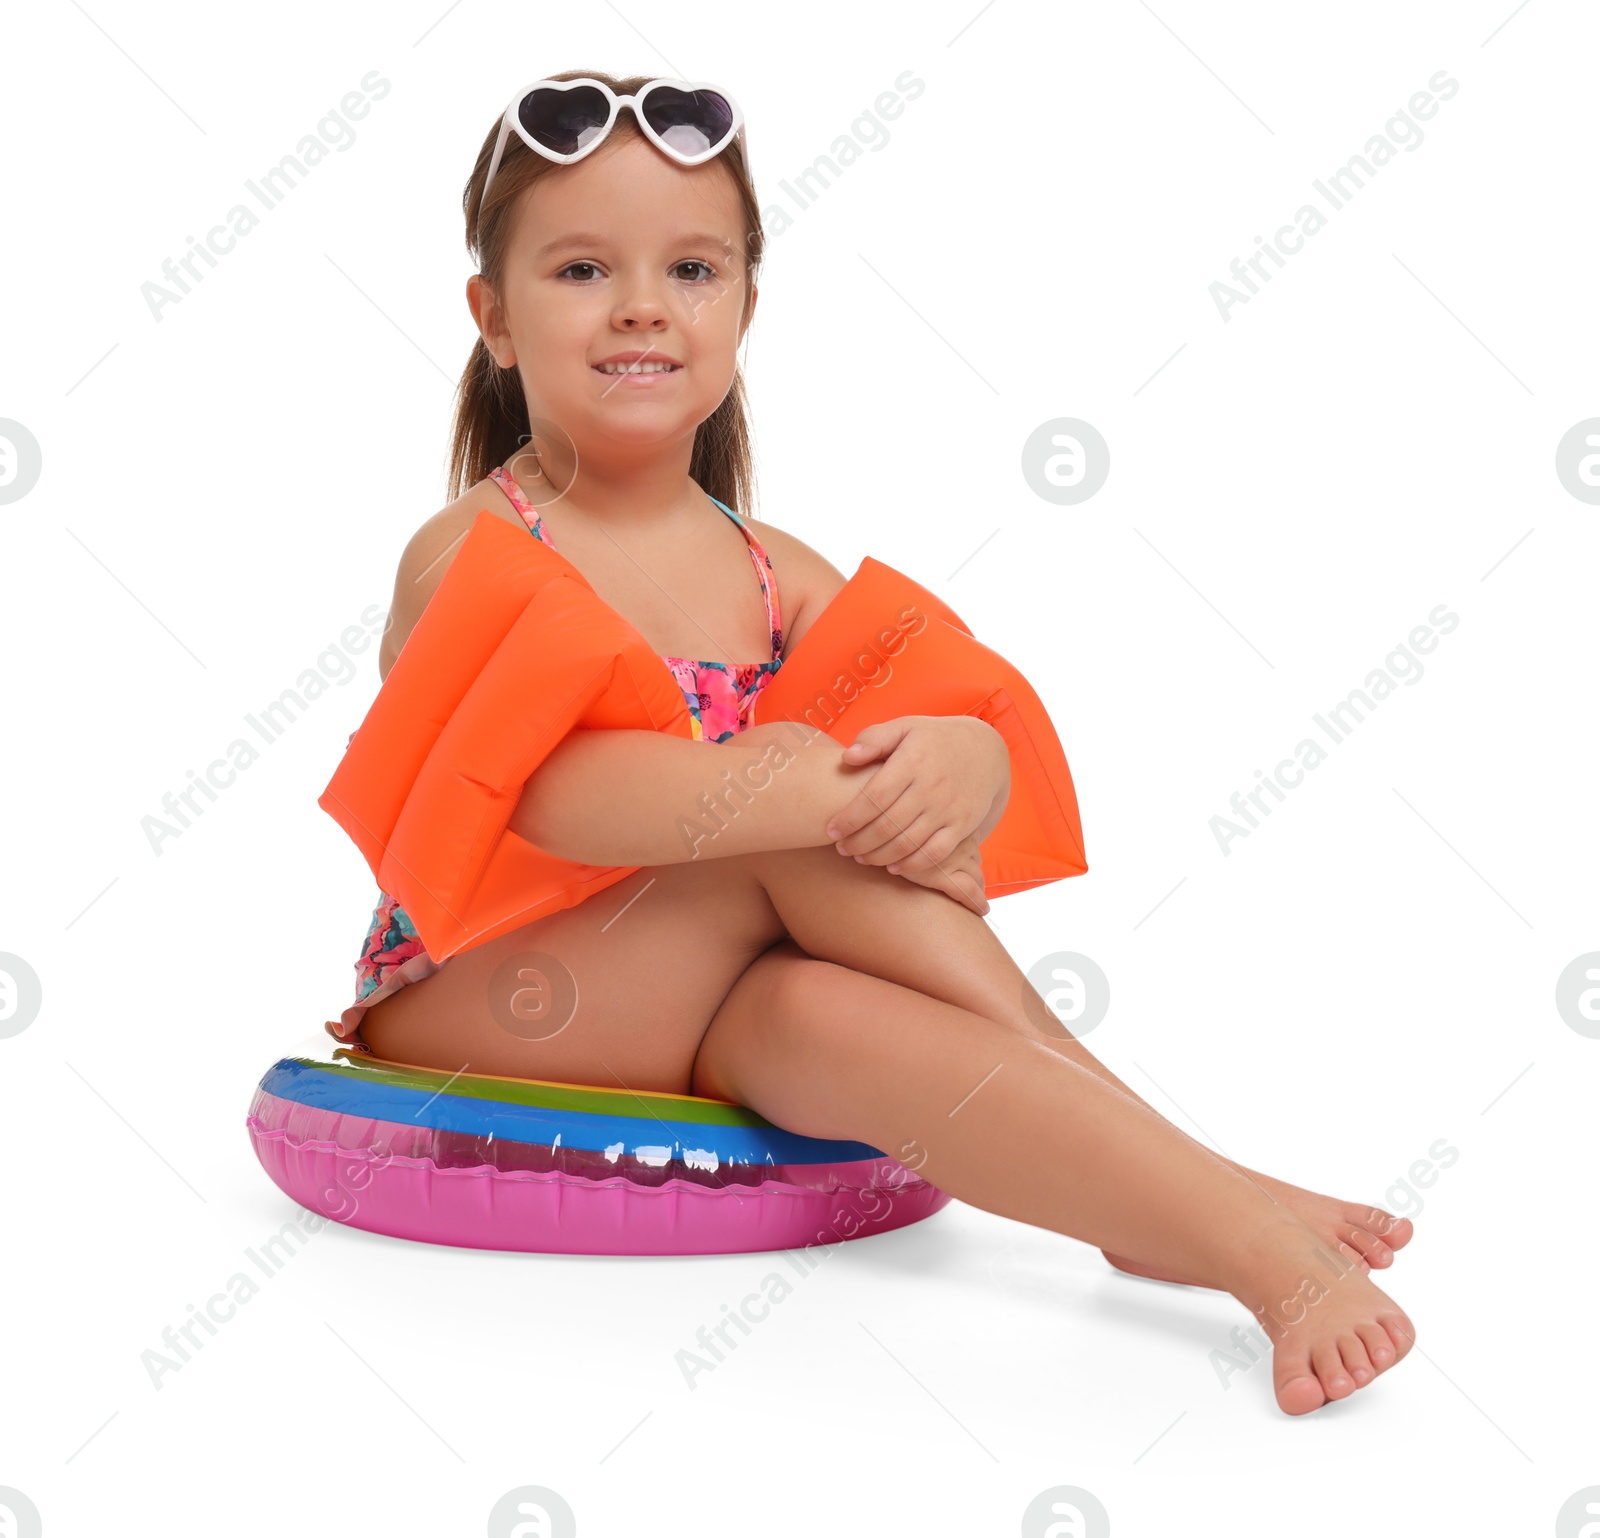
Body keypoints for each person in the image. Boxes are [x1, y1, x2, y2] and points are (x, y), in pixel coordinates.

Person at [333, 69, 1416, 1416]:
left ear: (744, 307)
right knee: (809, 829)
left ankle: (1147, 1202)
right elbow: (558, 796)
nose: (640, 306)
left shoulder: (777, 570)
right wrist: (807, 787)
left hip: (709, 993)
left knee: (811, 1004)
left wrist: (966, 768)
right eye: (577, 269)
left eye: (691, 266)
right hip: (491, 988)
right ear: (493, 318)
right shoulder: (476, 552)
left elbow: (958, 705)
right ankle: (1241, 1219)